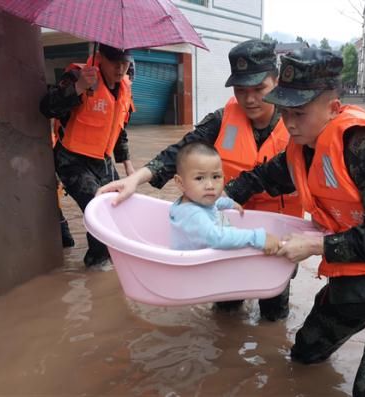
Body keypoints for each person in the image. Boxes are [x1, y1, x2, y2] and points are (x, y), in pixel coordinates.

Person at [224, 48, 365, 396]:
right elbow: (260, 178)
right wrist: (217, 203)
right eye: (284, 112)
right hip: (356, 275)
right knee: (304, 355)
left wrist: (316, 245)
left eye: (299, 112)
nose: (289, 123)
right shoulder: (301, 149)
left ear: (332, 108)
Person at [98, 39, 302, 320]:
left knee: (274, 316)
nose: (250, 99)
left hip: (276, 234)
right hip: (226, 231)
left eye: (259, 89)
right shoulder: (221, 120)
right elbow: (182, 151)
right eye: (241, 91)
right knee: (226, 312)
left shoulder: (298, 124)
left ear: (276, 82)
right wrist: (137, 179)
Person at [40, 44, 136, 268]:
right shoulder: (78, 75)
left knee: (120, 207)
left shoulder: (124, 87)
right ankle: (97, 264)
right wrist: (79, 87)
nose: (120, 69)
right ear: (100, 57)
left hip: (102, 160)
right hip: (72, 159)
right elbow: (46, 107)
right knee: (98, 209)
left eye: (125, 63)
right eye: (115, 62)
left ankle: (111, 258)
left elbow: (120, 130)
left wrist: (129, 168)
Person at [170, 142, 279, 254]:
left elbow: (214, 203)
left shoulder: (196, 200)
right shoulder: (192, 214)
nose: (210, 185)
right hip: (195, 268)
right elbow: (218, 238)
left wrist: (229, 203)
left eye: (216, 177)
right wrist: (256, 237)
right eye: (199, 178)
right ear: (180, 183)